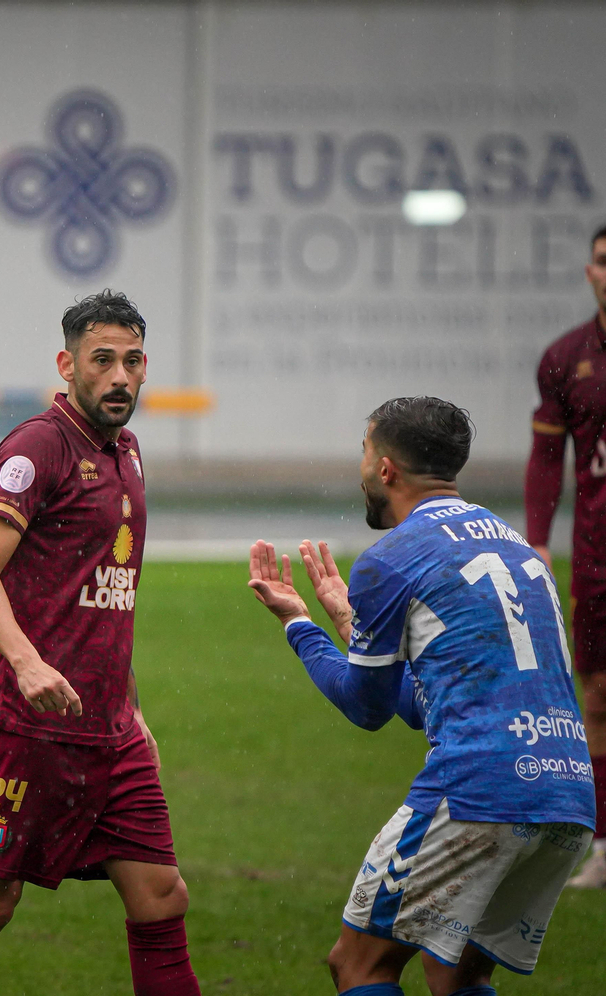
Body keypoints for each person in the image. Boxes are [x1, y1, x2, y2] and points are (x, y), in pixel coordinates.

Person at [248, 397, 593, 996]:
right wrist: (354, 630)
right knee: (454, 970)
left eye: (364, 453)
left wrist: (300, 626)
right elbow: (428, 701)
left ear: (386, 469)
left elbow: (368, 707)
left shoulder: (392, 555)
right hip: (567, 791)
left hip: (477, 789)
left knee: (359, 965)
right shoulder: (510, 544)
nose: (361, 469)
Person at [0, 291, 199, 996]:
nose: (119, 377)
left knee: (161, 897)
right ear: (67, 363)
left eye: (132, 361)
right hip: (31, 727)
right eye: (102, 360)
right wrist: (26, 663)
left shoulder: (128, 453)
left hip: (112, 734)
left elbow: (107, 597)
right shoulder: (37, 447)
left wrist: (131, 711)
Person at [525, 222, 606, 887]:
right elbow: (548, 459)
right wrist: (536, 541)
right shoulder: (565, 358)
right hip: (596, 556)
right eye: (605, 262)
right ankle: (604, 849)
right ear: (590, 272)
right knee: (598, 695)